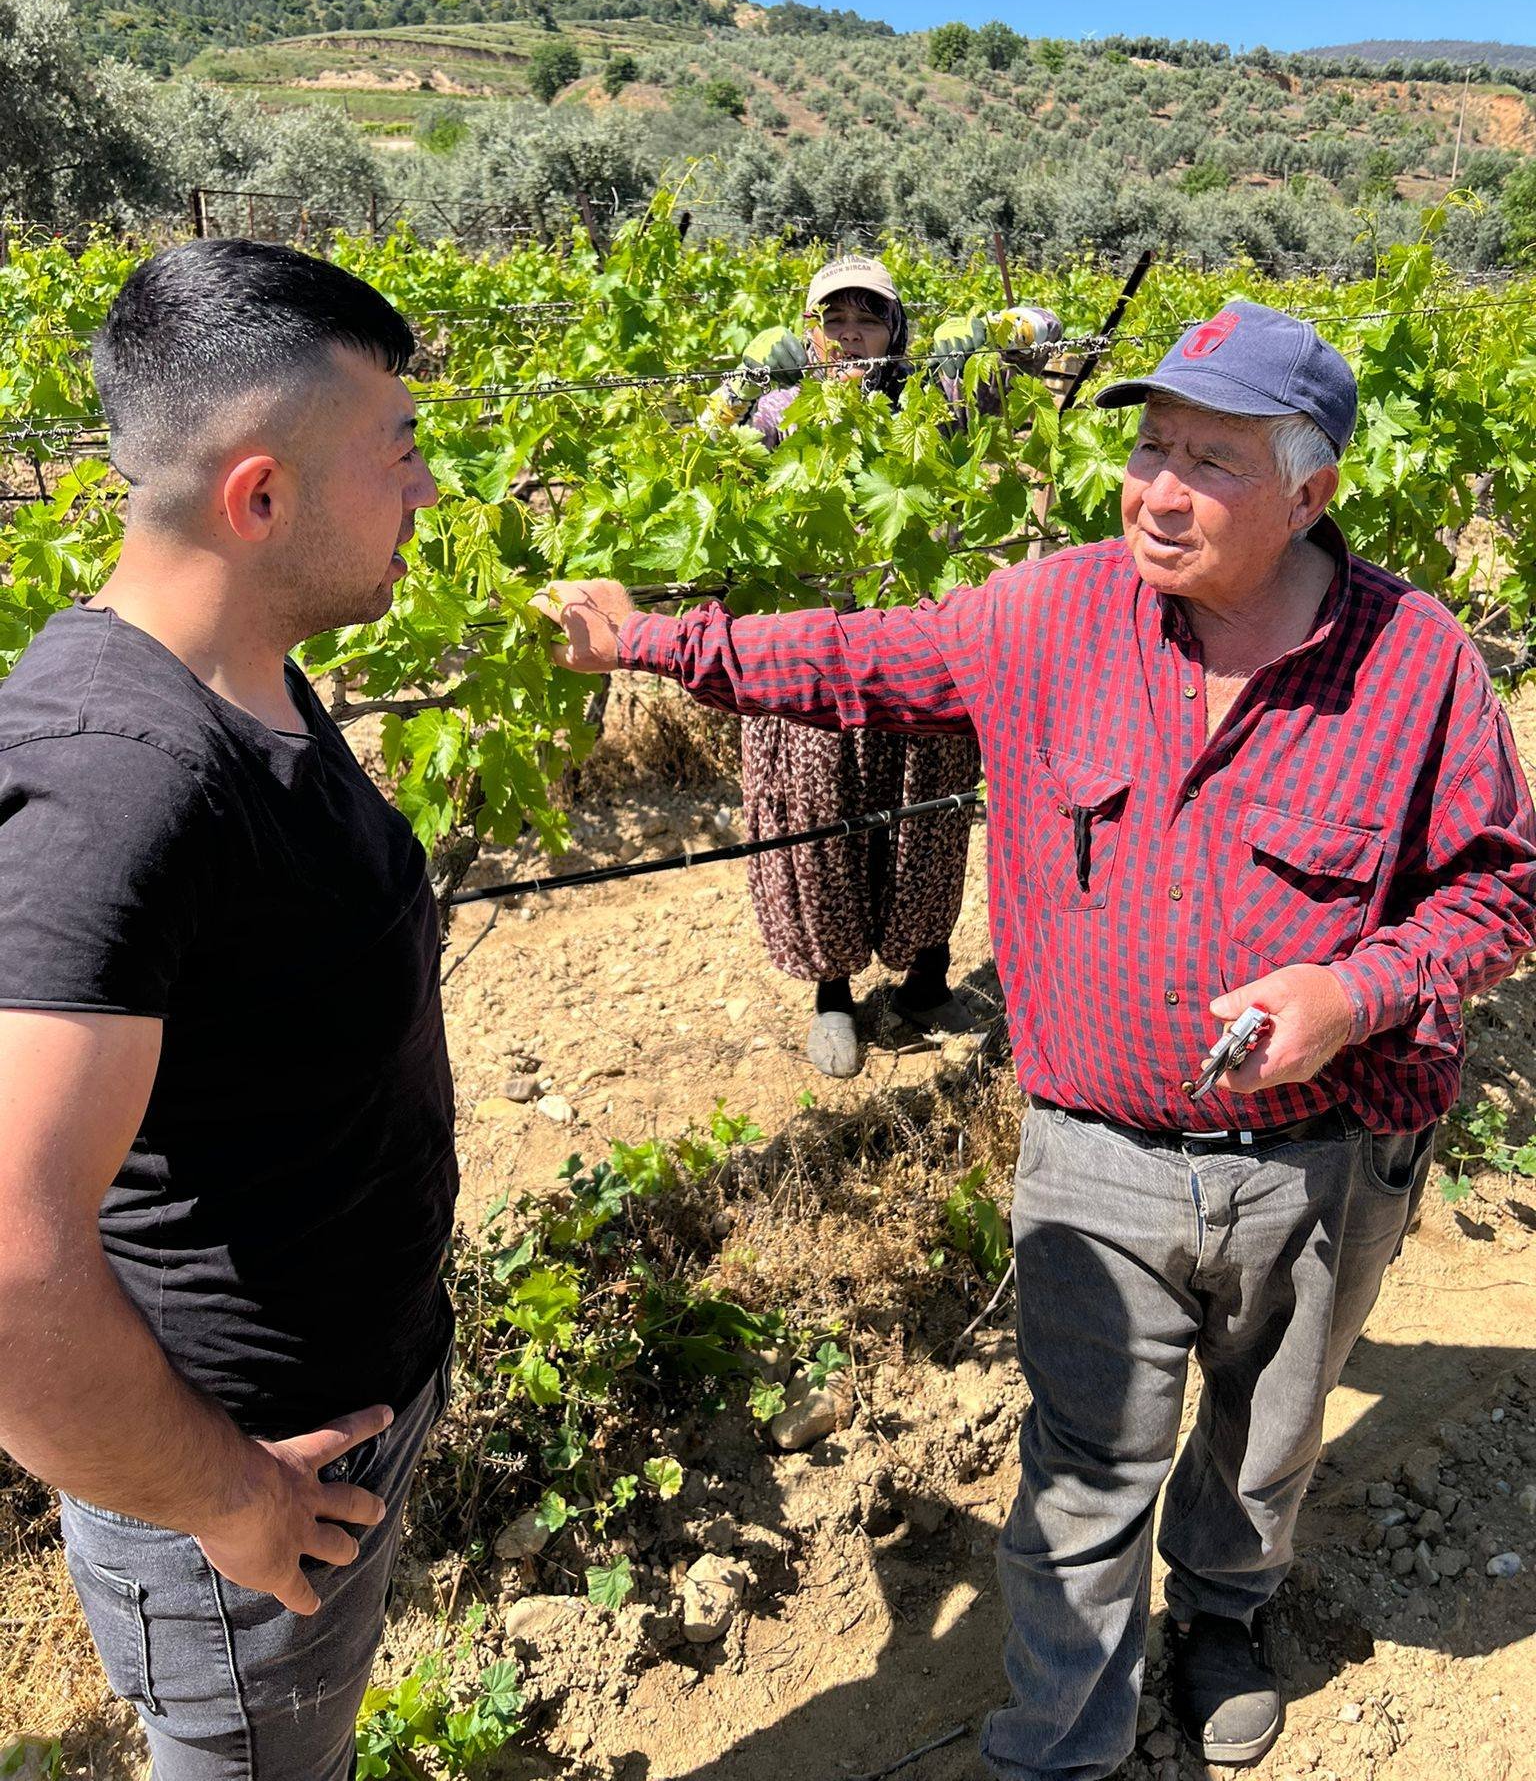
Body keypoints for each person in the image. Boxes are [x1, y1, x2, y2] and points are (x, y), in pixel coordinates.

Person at [535, 299, 1536, 1776]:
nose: (1157, 488)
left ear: (1314, 491)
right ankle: (1056, 1748)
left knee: (1268, 1438)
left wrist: (1360, 993)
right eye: (1149, 447)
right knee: (1082, 1478)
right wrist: (653, 640)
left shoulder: (1416, 662)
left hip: (1330, 1156)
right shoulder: (1053, 613)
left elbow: (1499, 886)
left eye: (1211, 460)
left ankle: (1223, 1614)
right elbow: (855, 662)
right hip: (1095, 1157)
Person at [0, 239, 452, 1779]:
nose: (431, 491)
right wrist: (232, 1502)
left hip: (322, 1435)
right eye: (399, 456)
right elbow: (5, 1263)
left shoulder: (239, 665)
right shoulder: (112, 773)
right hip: (243, 1500)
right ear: (259, 498)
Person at [698, 253, 1057, 1077]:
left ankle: (924, 982)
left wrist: (1009, 333)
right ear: (810, 333)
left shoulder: (931, 404)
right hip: (814, 658)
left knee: (926, 818)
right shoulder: (781, 411)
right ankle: (833, 996)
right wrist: (738, 388)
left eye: (867, 318)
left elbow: (1024, 361)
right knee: (823, 827)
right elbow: (707, 454)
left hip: (917, 651)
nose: (850, 333)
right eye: (834, 319)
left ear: (895, 332)